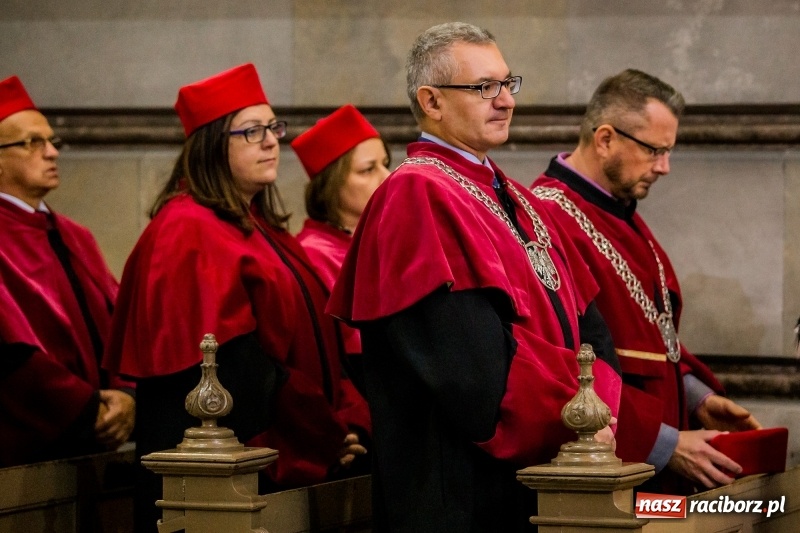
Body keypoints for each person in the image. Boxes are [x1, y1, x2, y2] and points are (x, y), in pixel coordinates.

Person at [327, 23, 622, 533]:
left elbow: (588, 325)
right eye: (485, 87)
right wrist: (575, 418)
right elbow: (467, 363)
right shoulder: (414, 196)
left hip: (552, 464)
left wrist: (600, 410)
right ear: (432, 101)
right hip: (461, 491)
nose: (505, 101)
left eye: (509, 84)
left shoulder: (518, 198)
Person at [103, 64, 371, 531]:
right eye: (252, 131)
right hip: (227, 469)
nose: (272, 141)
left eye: (273, 127)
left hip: (290, 445)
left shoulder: (257, 226)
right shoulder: (189, 229)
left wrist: (342, 421)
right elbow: (232, 367)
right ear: (211, 145)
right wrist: (323, 428)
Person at [531, 68, 761, 495]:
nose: (665, 167)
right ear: (605, 139)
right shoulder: (545, 218)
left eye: (669, 151)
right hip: (614, 464)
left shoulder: (616, 209)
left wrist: (697, 399)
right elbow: (565, 361)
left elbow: (651, 331)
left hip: (658, 449)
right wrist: (665, 443)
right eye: (656, 150)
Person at [0, 75, 134, 467]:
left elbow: (118, 324)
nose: (52, 153)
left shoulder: (76, 236)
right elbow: (12, 354)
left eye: (51, 140)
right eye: (32, 143)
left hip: (100, 439)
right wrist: (86, 409)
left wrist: (128, 397)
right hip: (32, 450)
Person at [292, 104, 391, 389]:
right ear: (332, 184)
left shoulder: (378, 239)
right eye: (368, 170)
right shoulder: (314, 253)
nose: (387, 177)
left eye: (385, 163)